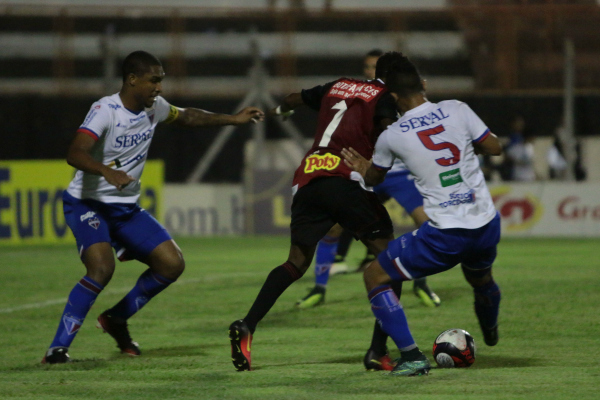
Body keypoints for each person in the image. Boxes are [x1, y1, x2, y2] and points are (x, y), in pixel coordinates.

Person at [41, 50, 264, 364]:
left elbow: (187, 115)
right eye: (153, 80)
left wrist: (233, 119)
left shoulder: (154, 108)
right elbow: (75, 153)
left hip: (124, 208)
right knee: (102, 269)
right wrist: (106, 170)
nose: (159, 87)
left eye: (161, 81)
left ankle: (116, 318)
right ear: (132, 79)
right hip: (86, 203)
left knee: (172, 264)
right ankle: (57, 349)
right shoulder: (106, 110)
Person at [228, 53, 405, 372]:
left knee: (295, 261)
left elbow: (294, 97)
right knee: (393, 262)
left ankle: (247, 324)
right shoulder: (384, 98)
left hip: (308, 177)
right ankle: (378, 351)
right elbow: (391, 133)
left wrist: (282, 108)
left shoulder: (338, 85)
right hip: (344, 178)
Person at [341, 52, 503, 376]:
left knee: (375, 275)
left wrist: (363, 166)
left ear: (392, 97)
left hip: (445, 235)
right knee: (480, 278)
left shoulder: (393, 136)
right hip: (486, 223)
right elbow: (494, 147)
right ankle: (490, 330)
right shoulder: (458, 108)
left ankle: (412, 356)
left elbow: (375, 179)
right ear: (424, 85)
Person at [296, 49, 440, 310]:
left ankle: (422, 284)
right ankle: (319, 288)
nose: (370, 71)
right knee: (333, 229)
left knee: (425, 223)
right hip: (364, 171)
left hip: (395, 173)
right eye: (367, 66)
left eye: (375, 67)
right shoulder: (360, 94)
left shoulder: (397, 93)